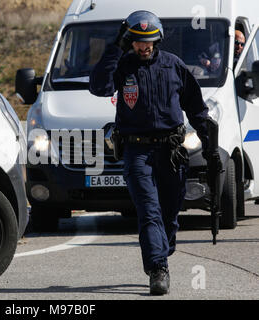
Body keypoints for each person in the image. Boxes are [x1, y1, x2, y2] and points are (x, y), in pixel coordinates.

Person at [89, 10, 222, 295]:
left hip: (172, 151)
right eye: (137, 41)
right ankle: (158, 267)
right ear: (130, 41)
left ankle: (162, 248)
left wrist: (209, 142)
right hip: (137, 150)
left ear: (158, 39)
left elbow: (197, 109)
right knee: (149, 211)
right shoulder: (122, 66)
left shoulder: (174, 66)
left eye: (149, 40)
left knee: (169, 214)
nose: (144, 46)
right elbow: (98, 86)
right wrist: (114, 48)